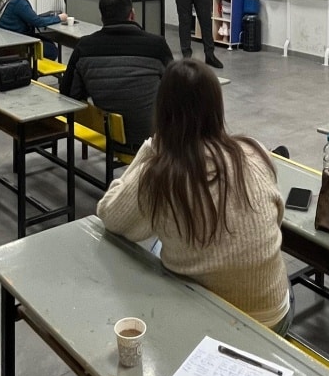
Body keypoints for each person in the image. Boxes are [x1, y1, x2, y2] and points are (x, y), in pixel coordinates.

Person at [96, 59, 291, 334]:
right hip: (274, 317)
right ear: (216, 108)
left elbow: (109, 214)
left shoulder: (159, 175)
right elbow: (277, 217)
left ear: (162, 112)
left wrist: (151, 149)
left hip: (206, 325)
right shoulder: (254, 151)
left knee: (153, 245)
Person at [59, 0, 173, 154]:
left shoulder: (84, 47)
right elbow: (175, 90)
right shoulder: (157, 45)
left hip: (109, 135)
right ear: (132, 14)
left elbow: (68, 94)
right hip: (151, 139)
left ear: (101, 17)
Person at [0, 0, 66, 60]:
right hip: (19, 43)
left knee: (47, 42)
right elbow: (37, 22)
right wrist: (59, 18)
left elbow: (29, 18)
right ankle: (33, 70)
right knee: (51, 50)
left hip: (6, 40)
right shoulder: (19, 2)